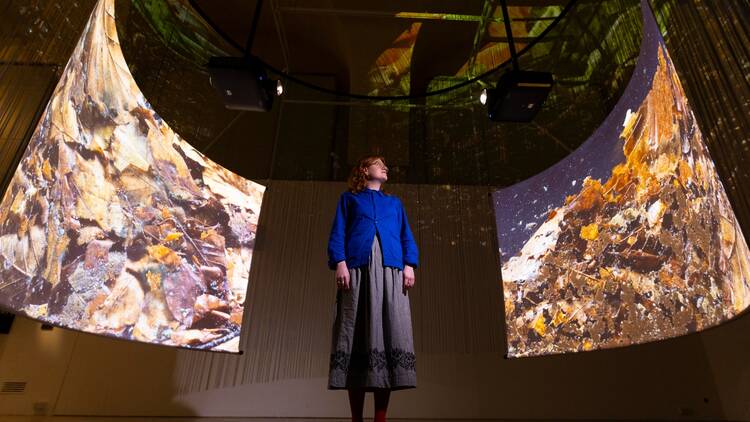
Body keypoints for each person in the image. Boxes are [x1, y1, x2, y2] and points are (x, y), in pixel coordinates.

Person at [327, 155, 419, 422]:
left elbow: (405, 236)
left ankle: (381, 417)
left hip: (391, 271)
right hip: (358, 271)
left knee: (388, 334)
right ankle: (356, 418)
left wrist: (409, 264)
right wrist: (341, 263)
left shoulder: (394, 203)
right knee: (357, 333)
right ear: (365, 170)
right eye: (380, 164)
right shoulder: (349, 199)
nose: (386, 167)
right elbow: (338, 233)